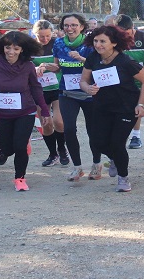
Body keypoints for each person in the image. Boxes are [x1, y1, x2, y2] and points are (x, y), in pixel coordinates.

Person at [0, 31, 52, 191]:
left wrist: (44, 111)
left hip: (25, 111)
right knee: (7, 148)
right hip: (2, 113)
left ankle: (20, 178)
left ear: (22, 50)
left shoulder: (28, 66)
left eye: (16, 49)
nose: (11, 52)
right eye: (8, 48)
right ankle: (13, 146)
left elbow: (36, 88)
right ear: (2, 47)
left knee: (19, 147)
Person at [80, 25, 144, 192]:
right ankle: (114, 159)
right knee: (98, 142)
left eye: (103, 41)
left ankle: (123, 178)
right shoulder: (92, 58)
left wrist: (140, 105)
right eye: (96, 41)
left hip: (126, 108)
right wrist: (88, 89)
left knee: (117, 143)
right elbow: (83, 81)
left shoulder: (125, 61)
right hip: (101, 107)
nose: (98, 45)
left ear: (113, 43)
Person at [53, 13, 103, 181]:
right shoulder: (59, 43)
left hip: (89, 92)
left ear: (82, 26)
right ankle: (77, 167)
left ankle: (97, 164)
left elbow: (98, 66)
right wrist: (45, 66)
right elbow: (57, 67)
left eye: (74, 25)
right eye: (66, 25)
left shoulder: (91, 44)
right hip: (67, 93)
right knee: (68, 129)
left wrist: (82, 59)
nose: (70, 28)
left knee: (93, 130)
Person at [116, 14, 144, 161]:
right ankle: (133, 139)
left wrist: (130, 72)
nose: (123, 37)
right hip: (125, 84)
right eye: (119, 33)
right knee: (126, 114)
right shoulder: (115, 40)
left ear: (132, 28)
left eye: (126, 33)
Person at [32, 20, 69, 167]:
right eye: (41, 36)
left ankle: (62, 150)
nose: (45, 39)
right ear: (35, 34)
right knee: (46, 124)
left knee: (59, 121)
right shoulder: (30, 47)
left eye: (48, 36)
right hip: (40, 91)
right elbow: (25, 67)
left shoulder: (57, 44)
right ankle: (52, 154)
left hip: (57, 87)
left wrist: (46, 66)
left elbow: (60, 66)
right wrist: (35, 70)